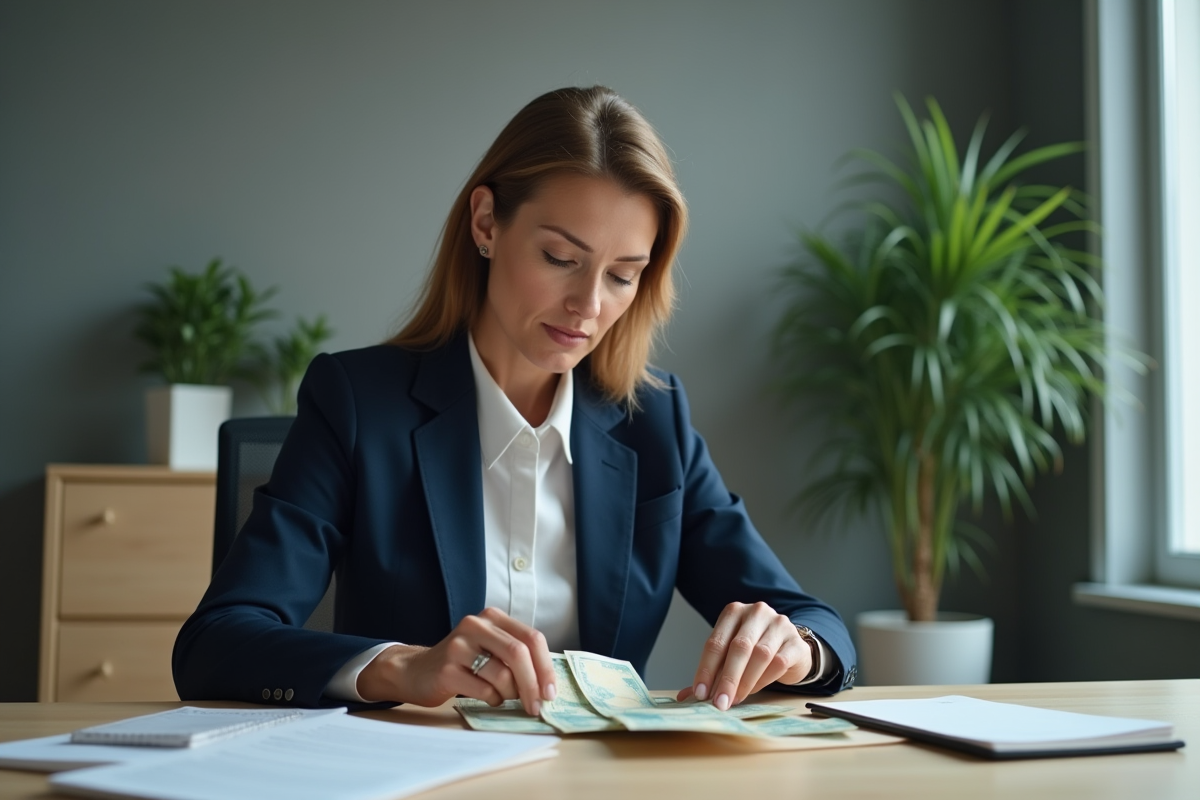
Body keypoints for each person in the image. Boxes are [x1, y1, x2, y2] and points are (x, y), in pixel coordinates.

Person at [173, 86, 856, 716]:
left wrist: (795, 646)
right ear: (486, 222)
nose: (589, 306)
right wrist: (406, 668)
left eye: (622, 275)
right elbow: (217, 641)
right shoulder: (357, 404)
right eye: (561, 258)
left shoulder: (655, 423)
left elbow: (819, 625)